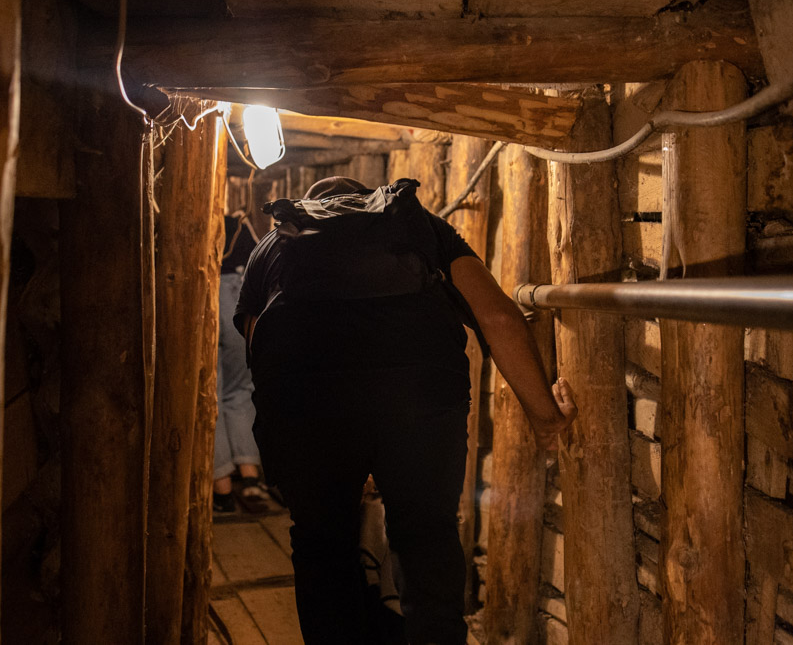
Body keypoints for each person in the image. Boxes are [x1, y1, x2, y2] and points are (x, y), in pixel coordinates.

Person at [234, 177, 577, 644]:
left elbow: (259, 353)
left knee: (321, 544)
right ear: (372, 200)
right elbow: (496, 316)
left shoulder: (272, 245)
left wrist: (317, 446)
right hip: (422, 401)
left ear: (310, 207)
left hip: (307, 405)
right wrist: (545, 419)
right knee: (426, 537)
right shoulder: (419, 225)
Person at [212, 213, 268, 513]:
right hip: (237, 294)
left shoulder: (193, 218)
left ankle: (221, 487)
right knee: (240, 391)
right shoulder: (238, 224)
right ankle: (249, 478)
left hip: (205, 290)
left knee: (210, 398)